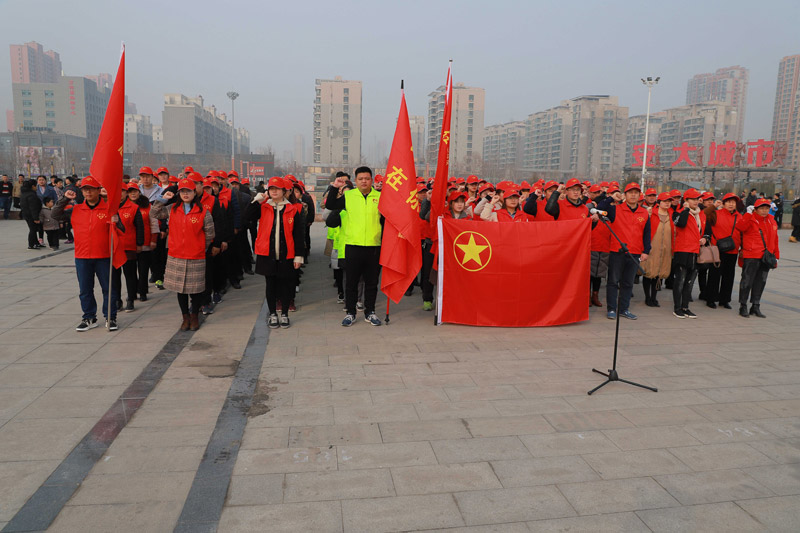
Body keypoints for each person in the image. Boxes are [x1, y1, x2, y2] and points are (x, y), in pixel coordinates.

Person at [53, 176, 122, 331]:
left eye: (91, 188)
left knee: (108, 288)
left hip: (104, 256)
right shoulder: (76, 210)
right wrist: (64, 199)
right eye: (85, 189)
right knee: (85, 289)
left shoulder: (109, 209)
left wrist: (116, 221)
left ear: (99, 190)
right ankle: (89, 317)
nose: (88, 191)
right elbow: (55, 215)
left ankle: (110, 317)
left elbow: (122, 230)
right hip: (82, 257)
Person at [151, 179, 215, 331]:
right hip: (176, 255)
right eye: (182, 191)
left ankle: (194, 316)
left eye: (189, 191)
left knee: (195, 289)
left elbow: (210, 233)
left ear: (195, 193)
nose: (185, 194)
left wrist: (200, 247)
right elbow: (153, 213)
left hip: (196, 255)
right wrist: (162, 199)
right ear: (179, 193)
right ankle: (185, 317)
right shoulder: (172, 208)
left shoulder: (203, 212)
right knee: (180, 289)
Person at [325, 166, 384, 327]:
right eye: (360, 179)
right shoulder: (349, 196)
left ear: (371, 180)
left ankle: (370, 312)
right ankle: (350, 313)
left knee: (372, 283)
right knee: (351, 283)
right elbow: (330, 205)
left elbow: (387, 221)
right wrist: (334, 187)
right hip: (352, 246)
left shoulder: (380, 197)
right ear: (356, 181)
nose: (364, 181)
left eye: (367, 178)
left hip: (374, 247)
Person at [247, 177, 306, 328]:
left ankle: (284, 313)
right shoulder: (263, 207)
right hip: (267, 253)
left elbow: (299, 235)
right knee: (270, 284)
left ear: (284, 191)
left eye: (277, 188)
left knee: (286, 284)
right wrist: (256, 200)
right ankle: (273, 313)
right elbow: (247, 217)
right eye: (271, 188)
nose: (273, 191)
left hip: (287, 254)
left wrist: (299, 256)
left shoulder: (293, 209)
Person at [604, 182, 651, 320]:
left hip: (634, 252)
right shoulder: (615, 209)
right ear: (625, 195)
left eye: (636, 192)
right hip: (617, 251)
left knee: (628, 283)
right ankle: (611, 308)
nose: (633, 195)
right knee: (613, 281)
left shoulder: (644, 212)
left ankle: (624, 308)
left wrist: (646, 250)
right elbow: (601, 208)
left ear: (639, 195)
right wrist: (612, 198)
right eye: (630, 192)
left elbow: (647, 233)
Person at [738, 198, 780, 318]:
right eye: (761, 208)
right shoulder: (750, 219)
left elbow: (775, 239)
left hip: (766, 256)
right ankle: (743, 305)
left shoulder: (772, 220)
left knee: (761, 281)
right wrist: (747, 214)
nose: (764, 210)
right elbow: (740, 227)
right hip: (752, 255)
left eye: (766, 208)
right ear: (755, 209)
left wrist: (776, 256)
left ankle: (755, 305)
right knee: (747, 281)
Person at [671, 188, 709, 319]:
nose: (696, 201)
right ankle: (677, 308)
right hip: (683, 251)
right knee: (680, 280)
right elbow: (681, 224)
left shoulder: (701, 214)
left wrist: (705, 238)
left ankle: (685, 307)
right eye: (692, 199)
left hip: (695, 251)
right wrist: (686, 209)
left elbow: (707, 230)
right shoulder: (678, 213)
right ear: (686, 200)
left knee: (690, 282)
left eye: (697, 198)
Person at [705, 193, 742, 309]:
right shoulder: (715, 214)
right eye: (728, 202)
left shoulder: (739, 217)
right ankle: (711, 298)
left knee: (729, 276)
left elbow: (744, 233)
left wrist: (743, 248)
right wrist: (714, 206)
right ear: (724, 203)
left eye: (733, 202)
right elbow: (703, 214)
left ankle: (724, 300)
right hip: (717, 249)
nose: (731, 204)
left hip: (733, 250)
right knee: (714, 275)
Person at [114, 183, 145, 312]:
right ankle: (117, 300)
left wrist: (139, 243)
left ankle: (130, 299)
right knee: (115, 276)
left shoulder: (133, 207)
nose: (120, 194)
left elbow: (139, 227)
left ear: (126, 193)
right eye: (117, 191)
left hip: (129, 246)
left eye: (122, 191)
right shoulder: (109, 207)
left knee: (130, 274)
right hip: (114, 247)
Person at [639, 192, 674, 307]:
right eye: (664, 201)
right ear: (659, 203)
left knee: (659, 274)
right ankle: (647, 297)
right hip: (652, 248)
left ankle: (654, 297)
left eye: (669, 201)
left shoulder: (672, 215)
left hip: (665, 249)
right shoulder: (651, 214)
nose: (667, 204)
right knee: (648, 272)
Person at [19, 180, 43, 249]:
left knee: (33, 229)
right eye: (36, 186)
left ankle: (36, 243)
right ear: (33, 186)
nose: (37, 188)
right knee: (33, 229)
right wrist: (36, 218)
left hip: (26, 214)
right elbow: (33, 207)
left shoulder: (24, 193)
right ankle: (31, 244)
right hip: (31, 215)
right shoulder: (31, 195)